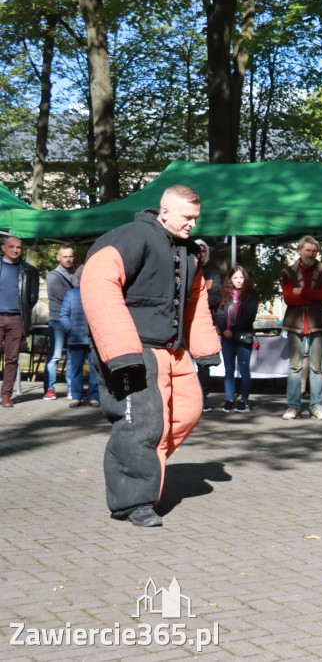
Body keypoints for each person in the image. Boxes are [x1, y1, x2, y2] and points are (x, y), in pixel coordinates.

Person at [80, 185, 221, 527]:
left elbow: (196, 299)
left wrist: (203, 348)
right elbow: (98, 280)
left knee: (186, 411)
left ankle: (140, 467)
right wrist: (120, 349)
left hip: (170, 348)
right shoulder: (131, 237)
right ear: (165, 211)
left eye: (196, 219)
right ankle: (132, 502)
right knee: (140, 423)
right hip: (132, 347)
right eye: (187, 218)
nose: (192, 224)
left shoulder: (188, 251)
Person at [280, 235, 322, 421]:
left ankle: (317, 406)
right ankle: (292, 406)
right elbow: (288, 298)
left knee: (316, 367)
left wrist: (302, 292)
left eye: (314, 251)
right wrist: (313, 296)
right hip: (295, 324)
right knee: (294, 367)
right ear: (299, 251)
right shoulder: (288, 272)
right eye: (308, 250)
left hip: (317, 323)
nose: (311, 254)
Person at [0, 236, 39, 408]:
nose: (15, 250)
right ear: (3, 248)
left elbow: (32, 297)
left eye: (19, 247)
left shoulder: (29, 270)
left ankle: (6, 395)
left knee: (12, 359)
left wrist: (23, 315)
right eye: (11, 247)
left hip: (17, 319)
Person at [214, 265, 258, 413]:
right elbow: (219, 314)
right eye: (235, 278)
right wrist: (223, 330)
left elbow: (249, 317)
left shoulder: (251, 295)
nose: (239, 281)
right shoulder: (224, 295)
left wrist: (232, 330)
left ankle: (244, 401)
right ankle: (229, 400)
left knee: (244, 370)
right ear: (230, 280)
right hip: (227, 338)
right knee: (228, 371)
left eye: (241, 277)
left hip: (243, 337)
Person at [60, 271, 99, 408]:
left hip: (93, 340)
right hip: (76, 339)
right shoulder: (71, 294)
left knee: (95, 369)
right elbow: (63, 315)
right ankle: (76, 397)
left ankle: (94, 397)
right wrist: (71, 328)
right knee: (75, 369)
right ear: (79, 278)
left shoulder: (97, 294)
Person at [43, 245, 77, 400]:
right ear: (58, 257)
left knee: (72, 357)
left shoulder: (77, 274)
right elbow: (64, 295)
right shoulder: (52, 275)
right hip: (58, 320)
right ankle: (49, 389)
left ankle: (72, 389)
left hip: (75, 320)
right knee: (55, 356)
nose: (68, 259)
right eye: (65, 256)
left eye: (70, 256)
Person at [194, 239, 221, 412]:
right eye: (197, 251)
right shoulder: (183, 269)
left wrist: (194, 302)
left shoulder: (212, 272)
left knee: (204, 364)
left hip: (204, 321)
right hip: (183, 322)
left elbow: (215, 296)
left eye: (203, 251)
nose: (200, 253)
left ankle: (202, 398)